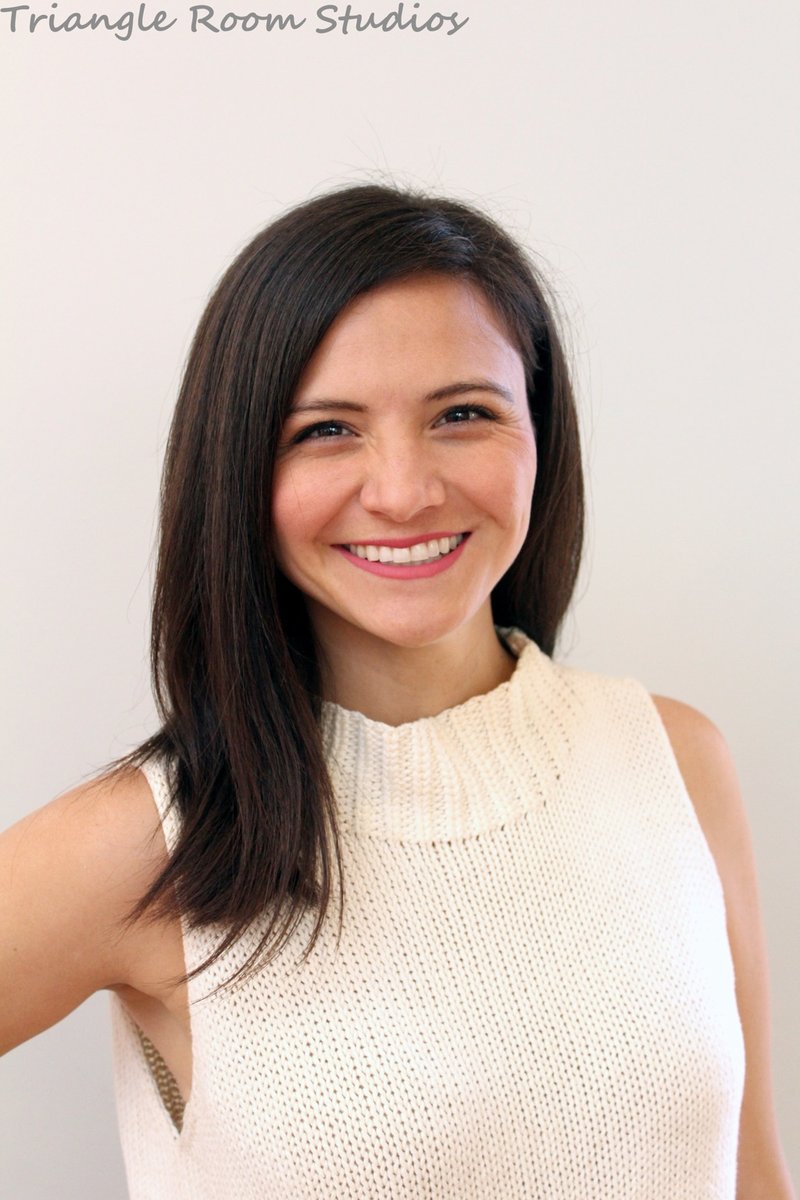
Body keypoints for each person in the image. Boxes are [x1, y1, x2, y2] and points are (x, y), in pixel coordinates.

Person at [0, 184, 794, 1200]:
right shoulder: (154, 842)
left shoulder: (672, 759)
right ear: (238, 468)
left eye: (462, 414)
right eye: (326, 430)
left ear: (538, 438)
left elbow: (751, 1179)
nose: (404, 489)